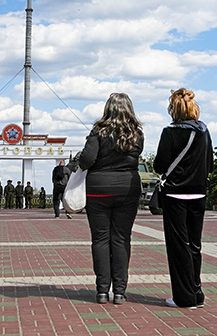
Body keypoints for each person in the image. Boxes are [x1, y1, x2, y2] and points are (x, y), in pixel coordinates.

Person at [74, 92, 143, 305]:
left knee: (100, 238)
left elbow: (86, 160)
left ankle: (102, 291)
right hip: (127, 188)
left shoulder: (98, 131)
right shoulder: (137, 134)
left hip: (98, 189)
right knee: (122, 238)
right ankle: (120, 292)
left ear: (108, 108)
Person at [154, 88, 213, 309]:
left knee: (178, 245)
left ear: (173, 110)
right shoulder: (204, 131)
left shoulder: (169, 132)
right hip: (199, 193)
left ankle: (184, 297)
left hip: (175, 194)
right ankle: (197, 292)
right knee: (195, 245)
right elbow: (211, 163)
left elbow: (160, 165)